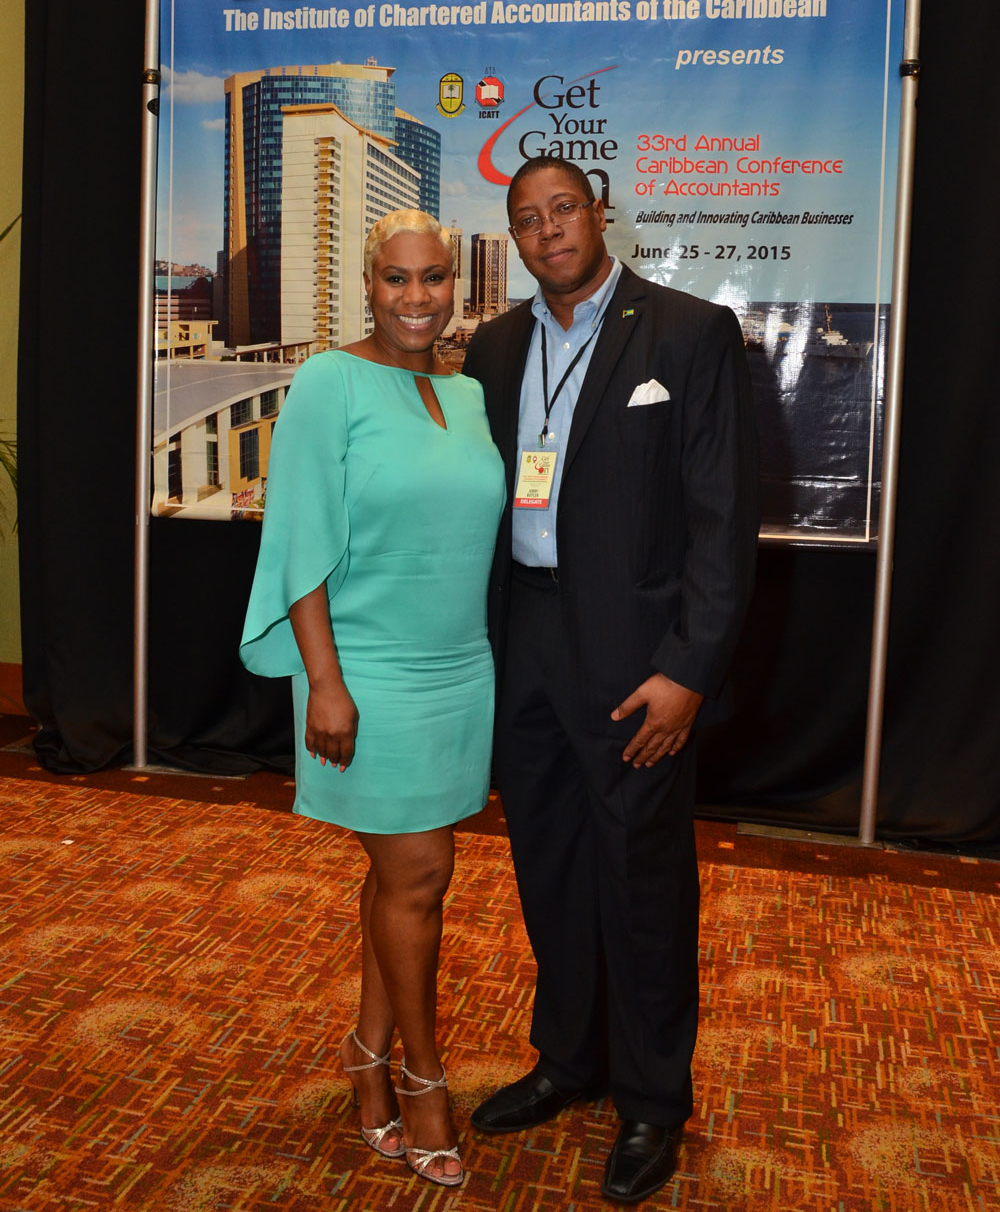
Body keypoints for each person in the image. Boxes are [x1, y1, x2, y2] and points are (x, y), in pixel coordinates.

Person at [463, 159, 758, 1204]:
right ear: (513, 238)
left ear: (598, 214)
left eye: (562, 211)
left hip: (637, 662)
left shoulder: (685, 332)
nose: (548, 231)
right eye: (526, 219)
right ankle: (568, 1060)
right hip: (525, 639)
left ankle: (650, 1100)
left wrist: (687, 669)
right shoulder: (494, 346)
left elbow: (723, 519)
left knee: (641, 879)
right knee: (547, 863)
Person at [240, 209, 505, 1189]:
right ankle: (423, 1081)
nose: (416, 297)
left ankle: (365, 1056)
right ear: (367, 283)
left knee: (403, 880)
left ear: (454, 285)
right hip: (367, 669)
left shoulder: (469, 393)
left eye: (434, 277)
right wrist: (325, 681)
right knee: (422, 874)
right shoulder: (328, 380)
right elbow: (298, 535)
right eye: (396, 278)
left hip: (460, 667)